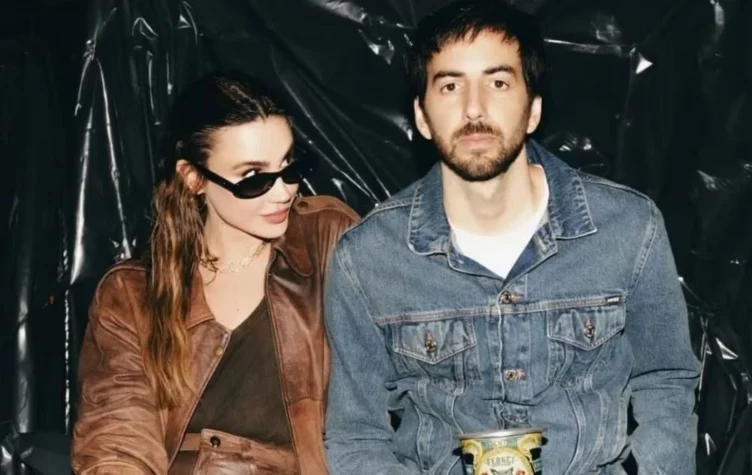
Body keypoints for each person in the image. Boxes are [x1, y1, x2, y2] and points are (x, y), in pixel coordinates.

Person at [323, 1, 700, 474]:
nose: (474, 107)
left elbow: (666, 381)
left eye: (498, 83)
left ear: (533, 110)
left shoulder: (626, 227)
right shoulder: (369, 258)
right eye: (450, 85)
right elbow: (356, 434)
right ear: (421, 116)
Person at [71, 72, 358, 474]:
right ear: (194, 179)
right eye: (254, 177)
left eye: (290, 166)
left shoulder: (327, 239)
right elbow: (118, 437)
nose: (283, 192)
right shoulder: (133, 295)